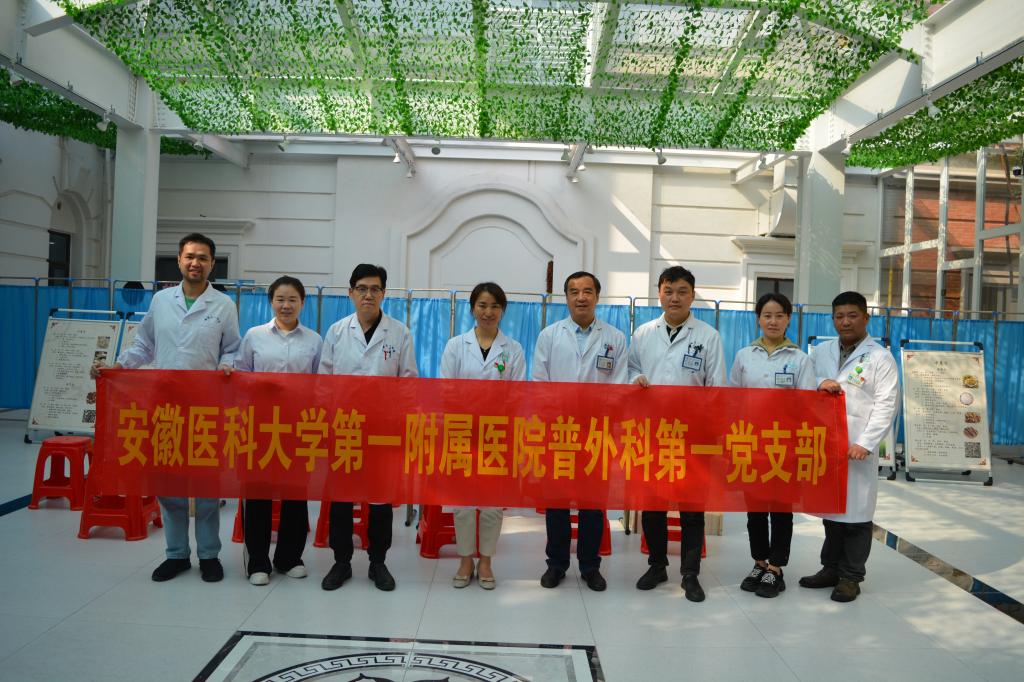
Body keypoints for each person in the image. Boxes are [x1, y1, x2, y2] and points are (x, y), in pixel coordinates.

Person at [92, 233, 240, 583]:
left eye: (202, 258)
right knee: (169, 484)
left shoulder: (223, 305)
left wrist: (227, 365)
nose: (195, 263)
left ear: (212, 264)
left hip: (205, 409)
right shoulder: (160, 301)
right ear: (179, 260)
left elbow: (233, 348)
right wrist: (118, 368)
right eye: (190, 256)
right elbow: (144, 345)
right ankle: (176, 555)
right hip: (167, 409)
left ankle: (209, 555)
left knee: (206, 488)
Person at [318, 264, 418, 592]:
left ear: (383, 293)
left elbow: (409, 382)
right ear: (350, 293)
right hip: (344, 427)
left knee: (379, 500)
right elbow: (324, 382)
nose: (368, 295)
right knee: (342, 498)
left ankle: (378, 562)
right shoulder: (336, 331)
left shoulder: (399, 333)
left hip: (382, 429)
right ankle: (341, 561)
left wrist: (399, 422)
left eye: (375, 289)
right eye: (361, 289)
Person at [629, 265, 725, 602]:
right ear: (659, 294)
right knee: (652, 504)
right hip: (652, 434)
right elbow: (631, 369)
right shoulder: (643, 333)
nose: (675, 298)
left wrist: (710, 432)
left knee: (691, 508)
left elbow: (717, 387)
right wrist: (635, 379)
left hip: (692, 435)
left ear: (692, 296)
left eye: (682, 292)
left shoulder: (708, 336)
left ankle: (690, 574)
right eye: (668, 291)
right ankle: (657, 565)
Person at [799, 291, 898, 602]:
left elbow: (886, 405)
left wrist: (866, 443)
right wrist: (819, 382)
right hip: (826, 442)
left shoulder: (880, 358)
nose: (845, 322)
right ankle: (830, 569)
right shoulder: (821, 352)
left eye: (852, 315)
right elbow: (805, 382)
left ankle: (851, 577)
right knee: (832, 511)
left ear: (866, 318)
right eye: (839, 316)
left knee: (856, 514)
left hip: (857, 446)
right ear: (833, 319)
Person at [532, 271, 627, 593]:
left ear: (597, 296)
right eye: (574, 291)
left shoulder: (615, 338)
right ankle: (556, 564)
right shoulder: (549, 335)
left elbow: (618, 386)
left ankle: (590, 566)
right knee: (557, 503)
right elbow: (540, 384)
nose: (581, 297)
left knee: (592, 504)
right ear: (567, 298)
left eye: (587, 291)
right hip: (559, 431)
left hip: (596, 432)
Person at [232, 276, 321, 586]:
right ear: (271, 302)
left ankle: (289, 558)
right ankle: (258, 561)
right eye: (280, 299)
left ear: (302, 303)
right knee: (257, 493)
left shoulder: (314, 341)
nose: (286, 305)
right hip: (259, 426)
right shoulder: (254, 336)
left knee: (295, 494)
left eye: (292, 299)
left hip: (298, 426)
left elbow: (321, 384)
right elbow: (240, 376)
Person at [729, 292, 817, 598]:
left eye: (779, 315)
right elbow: (734, 399)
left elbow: (808, 404)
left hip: (784, 446)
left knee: (781, 509)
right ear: (758, 319)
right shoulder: (744, 356)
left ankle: (776, 567)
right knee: (754, 509)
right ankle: (759, 562)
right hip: (751, 443)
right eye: (767, 315)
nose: (773, 321)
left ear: (789, 319)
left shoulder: (800, 359)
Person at [439, 282, 525, 590]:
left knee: (491, 502)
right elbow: (446, 389)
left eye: (495, 306)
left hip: (497, 434)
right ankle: (465, 559)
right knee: (462, 501)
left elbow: (518, 394)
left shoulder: (513, 349)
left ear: (503, 311)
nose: (488, 312)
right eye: (482, 305)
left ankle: (486, 560)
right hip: (462, 431)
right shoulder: (455, 346)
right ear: (472, 308)